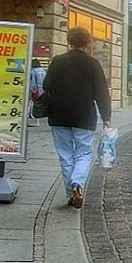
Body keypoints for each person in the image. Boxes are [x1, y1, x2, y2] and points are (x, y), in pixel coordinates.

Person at [43, 26, 112, 209]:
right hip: (84, 116)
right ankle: (77, 183)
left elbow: (46, 84)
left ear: (69, 41)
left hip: (59, 115)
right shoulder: (93, 63)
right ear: (88, 42)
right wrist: (106, 116)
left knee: (65, 155)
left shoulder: (58, 61)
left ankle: (70, 193)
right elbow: (101, 92)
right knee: (83, 153)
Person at [27, 59, 47, 123]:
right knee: (39, 103)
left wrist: (32, 90)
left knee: (32, 102)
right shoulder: (43, 70)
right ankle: (37, 119)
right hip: (43, 88)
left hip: (36, 89)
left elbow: (33, 82)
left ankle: (30, 115)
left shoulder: (33, 71)